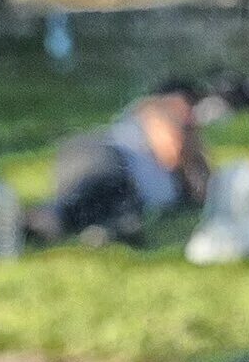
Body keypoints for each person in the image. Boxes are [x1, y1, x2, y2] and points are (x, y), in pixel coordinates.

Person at [25, 83, 210, 247]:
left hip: (121, 190)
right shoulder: (153, 116)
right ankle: (33, 223)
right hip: (97, 157)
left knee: (112, 216)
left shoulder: (182, 173)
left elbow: (202, 191)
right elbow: (170, 145)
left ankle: (52, 229)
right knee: (78, 200)